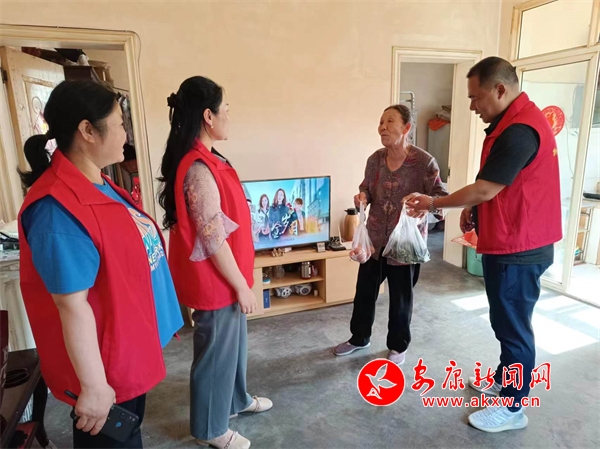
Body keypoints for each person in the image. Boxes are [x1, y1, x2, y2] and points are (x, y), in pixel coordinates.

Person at [17, 80, 183, 448]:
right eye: (120, 123)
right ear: (88, 130)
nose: (126, 134)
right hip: (105, 368)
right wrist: (94, 386)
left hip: (128, 345)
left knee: (129, 433)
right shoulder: (57, 211)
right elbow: (71, 305)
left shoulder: (99, 183)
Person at [405, 57, 561, 433]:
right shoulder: (510, 122)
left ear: (500, 89)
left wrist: (435, 202)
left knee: (513, 327)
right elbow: (497, 184)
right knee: (505, 321)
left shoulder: (520, 130)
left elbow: (486, 188)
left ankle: (512, 408)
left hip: (519, 248)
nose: (472, 106)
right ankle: (506, 383)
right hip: (510, 240)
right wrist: (474, 209)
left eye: (475, 97)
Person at [158, 76, 272, 449]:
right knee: (215, 354)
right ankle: (209, 429)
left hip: (227, 272)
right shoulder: (197, 168)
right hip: (216, 278)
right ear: (208, 116)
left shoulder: (211, 158)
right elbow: (212, 236)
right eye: (226, 110)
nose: (229, 117)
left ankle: (235, 401)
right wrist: (240, 284)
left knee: (232, 347)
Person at [333, 104, 448, 365]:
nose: (382, 127)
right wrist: (362, 197)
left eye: (389, 122)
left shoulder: (424, 163)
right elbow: (366, 189)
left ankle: (398, 346)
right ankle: (359, 337)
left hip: (405, 244)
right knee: (364, 293)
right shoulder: (375, 160)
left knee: (400, 298)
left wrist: (426, 205)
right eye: (381, 122)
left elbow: (441, 198)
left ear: (406, 127)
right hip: (374, 241)